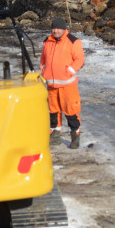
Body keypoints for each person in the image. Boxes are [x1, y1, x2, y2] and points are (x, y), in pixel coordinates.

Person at [40, 17, 84, 149]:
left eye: (58, 28)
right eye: (53, 28)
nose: (55, 31)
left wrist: (69, 70)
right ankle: (55, 134)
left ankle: (75, 136)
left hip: (67, 85)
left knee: (71, 111)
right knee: (53, 111)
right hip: (51, 85)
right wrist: (43, 69)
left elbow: (80, 59)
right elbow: (43, 58)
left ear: (64, 29)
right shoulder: (47, 41)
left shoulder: (73, 41)